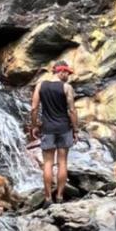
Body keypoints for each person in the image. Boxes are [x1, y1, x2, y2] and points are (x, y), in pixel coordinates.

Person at [29, 61, 79, 206]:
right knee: (62, 163)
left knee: (48, 164)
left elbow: (34, 108)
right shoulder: (66, 87)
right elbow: (72, 111)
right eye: (67, 73)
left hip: (48, 129)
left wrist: (34, 126)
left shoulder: (40, 85)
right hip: (64, 128)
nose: (68, 76)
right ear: (61, 72)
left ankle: (48, 198)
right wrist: (75, 130)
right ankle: (60, 197)